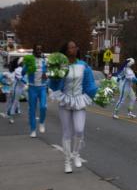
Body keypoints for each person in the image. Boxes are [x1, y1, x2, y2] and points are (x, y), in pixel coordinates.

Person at [49, 41, 97, 173]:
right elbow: (54, 84)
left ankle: (76, 153)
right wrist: (54, 75)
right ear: (65, 51)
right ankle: (67, 162)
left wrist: (96, 94)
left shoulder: (84, 65)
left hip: (79, 100)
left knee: (79, 129)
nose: (74, 49)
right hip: (65, 99)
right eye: (70, 47)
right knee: (67, 132)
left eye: (75, 47)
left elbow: (89, 83)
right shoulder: (61, 66)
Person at [22, 44, 48, 138]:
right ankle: (33, 130)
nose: (39, 51)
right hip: (32, 88)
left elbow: (49, 72)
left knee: (43, 107)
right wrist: (27, 69)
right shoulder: (29, 60)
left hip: (42, 87)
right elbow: (22, 73)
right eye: (37, 49)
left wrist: (47, 75)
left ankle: (41, 122)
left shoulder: (45, 60)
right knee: (32, 110)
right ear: (34, 50)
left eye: (40, 49)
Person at [6, 58, 27, 124]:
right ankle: (11, 117)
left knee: (31, 101)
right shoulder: (17, 70)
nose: (25, 63)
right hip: (17, 88)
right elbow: (20, 79)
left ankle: (32, 116)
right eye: (23, 62)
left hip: (24, 87)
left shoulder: (27, 69)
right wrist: (27, 83)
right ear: (20, 63)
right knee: (15, 102)